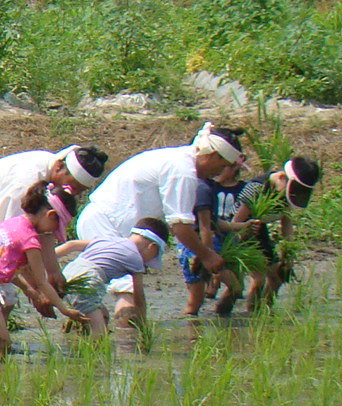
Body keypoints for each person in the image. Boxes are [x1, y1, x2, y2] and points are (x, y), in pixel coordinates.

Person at [75, 124, 245, 311]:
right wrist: (207, 256)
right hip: (105, 225)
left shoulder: (179, 161)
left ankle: (121, 336)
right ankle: (125, 336)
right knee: (129, 296)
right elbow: (180, 227)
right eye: (221, 166)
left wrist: (201, 252)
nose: (219, 173)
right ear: (213, 155)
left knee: (129, 295)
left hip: (115, 228)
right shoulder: (183, 171)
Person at [0, 145, 107, 299]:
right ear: (60, 167)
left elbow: (44, 229)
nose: (72, 194)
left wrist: (54, 272)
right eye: (73, 187)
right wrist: (38, 289)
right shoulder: (25, 181)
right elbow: (11, 241)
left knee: (5, 299)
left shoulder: (51, 175)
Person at [0, 187, 87, 360]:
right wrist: (65, 310)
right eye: (56, 227)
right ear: (50, 215)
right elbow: (42, 282)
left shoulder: (11, 224)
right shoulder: (30, 240)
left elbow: (0, 267)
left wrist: (28, 290)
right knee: (3, 346)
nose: (53, 233)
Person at [54, 219, 170, 332]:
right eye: (153, 258)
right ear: (152, 247)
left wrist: (45, 259)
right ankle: (94, 340)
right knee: (99, 334)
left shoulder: (108, 240)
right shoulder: (136, 258)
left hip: (68, 272)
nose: (148, 263)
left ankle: (76, 328)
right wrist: (143, 326)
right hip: (88, 279)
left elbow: (71, 244)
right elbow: (139, 297)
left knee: (102, 314)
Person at [236, 156, 320, 310]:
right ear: (282, 177)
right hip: (241, 230)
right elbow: (236, 220)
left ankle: (266, 310)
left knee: (277, 276)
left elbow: (286, 221)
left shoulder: (287, 195)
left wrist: (288, 252)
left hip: (260, 232)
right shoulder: (257, 188)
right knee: (259, 279)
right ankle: (250, 314)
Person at [183, 169, 252, 317]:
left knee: (235, 288)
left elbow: (214, 223)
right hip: (196, 248)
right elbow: (204, 227)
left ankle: (219, 322)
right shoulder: (202, 189)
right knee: (196, 301)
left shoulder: (210, 187)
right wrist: (209, 256)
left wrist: (243, 226)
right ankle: (191, 333)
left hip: (203, 247)